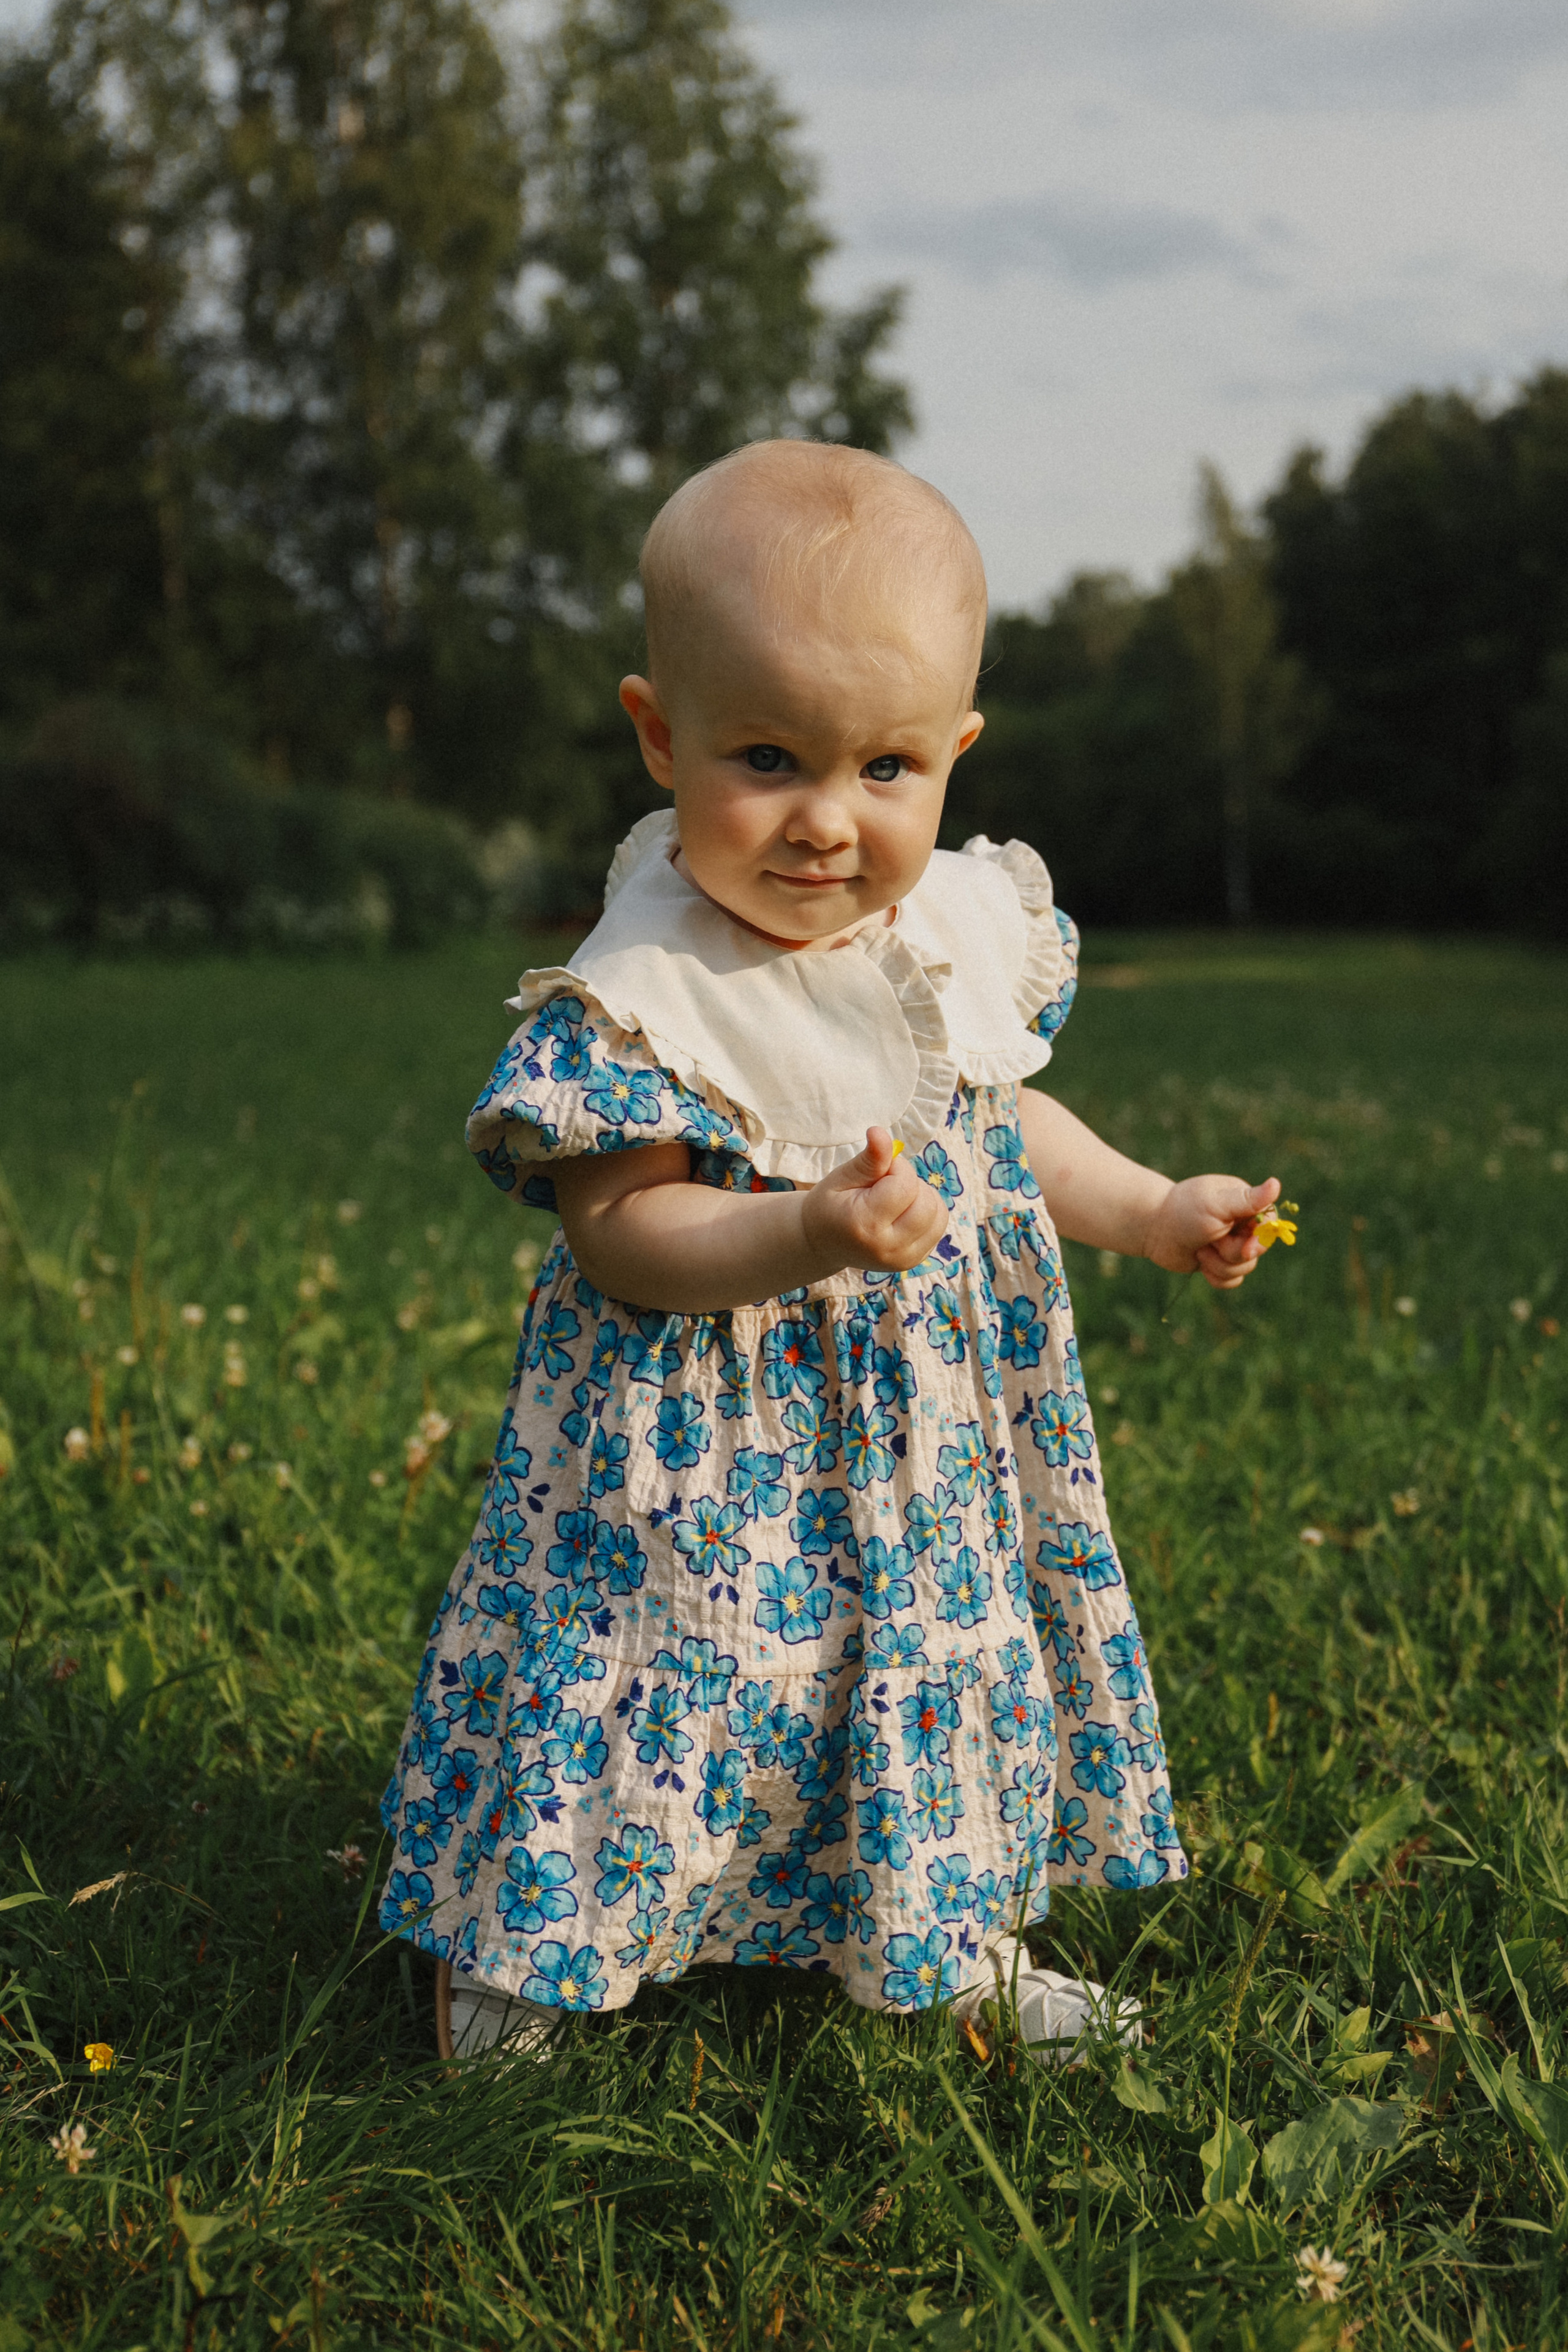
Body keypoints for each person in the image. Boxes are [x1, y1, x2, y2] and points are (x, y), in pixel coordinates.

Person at [377, 440, 1280, 2064]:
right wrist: (808, 1230)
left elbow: (1000, 1127)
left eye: (886, 772)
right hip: (691, 1480)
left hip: (926, 1460)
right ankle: (528, 1949)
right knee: (660, 1687)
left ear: (954, 755)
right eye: (772, 756)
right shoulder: (655, 986)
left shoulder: (943, 935)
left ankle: (945, 1932)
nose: (825, 823)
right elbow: (626, 1235)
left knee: (922, 1666)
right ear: (662, 735)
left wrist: (1150, 1206)